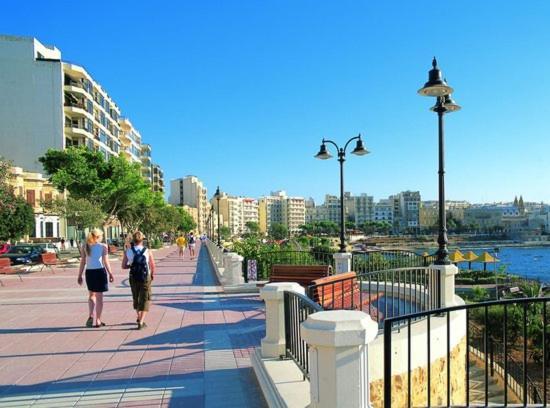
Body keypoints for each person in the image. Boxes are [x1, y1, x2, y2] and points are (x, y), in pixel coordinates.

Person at [77, 228, 114, 328]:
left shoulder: (85, 246)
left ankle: (91, 315)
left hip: (89, 272)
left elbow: (83, 262)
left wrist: (79, 275)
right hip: (100, 272)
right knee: (99, 298)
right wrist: (110, 273)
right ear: (98, 237)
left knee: (91, 295)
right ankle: (98, 320)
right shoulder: (103, 246)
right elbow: (106, 261)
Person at [122, 231, 155, 330]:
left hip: (133, 277)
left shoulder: (128, 251)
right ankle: (141, 321)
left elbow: (123, 266)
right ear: (142, 240)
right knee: (145, 298)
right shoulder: (147, 251)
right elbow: (153, 265)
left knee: (136, 297)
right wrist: (152, 275)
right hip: (145, 277)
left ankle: (139, 316)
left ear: (133, 240)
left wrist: (131, 265)